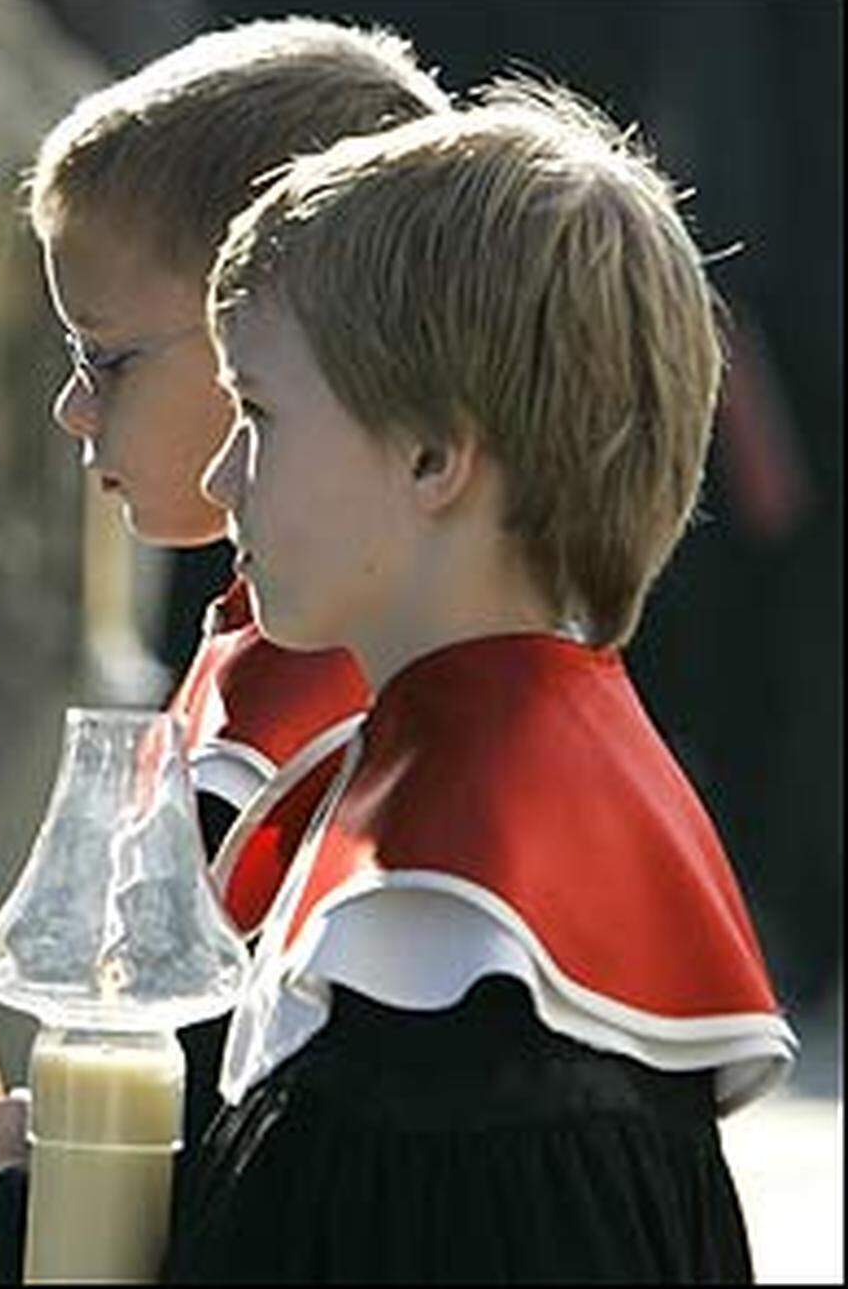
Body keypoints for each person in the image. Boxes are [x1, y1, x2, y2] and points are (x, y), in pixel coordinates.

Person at [0, 16, 453, 1281]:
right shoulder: (271, 644)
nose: (73, 405)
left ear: (270, 332)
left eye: (104, 357)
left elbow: (295, 1203)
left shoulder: (352, 710)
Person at [162, 75, 799, 1281]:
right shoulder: (508, 797)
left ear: (434, 456)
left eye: (257, 411)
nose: (221, 477)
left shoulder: (461, 962)